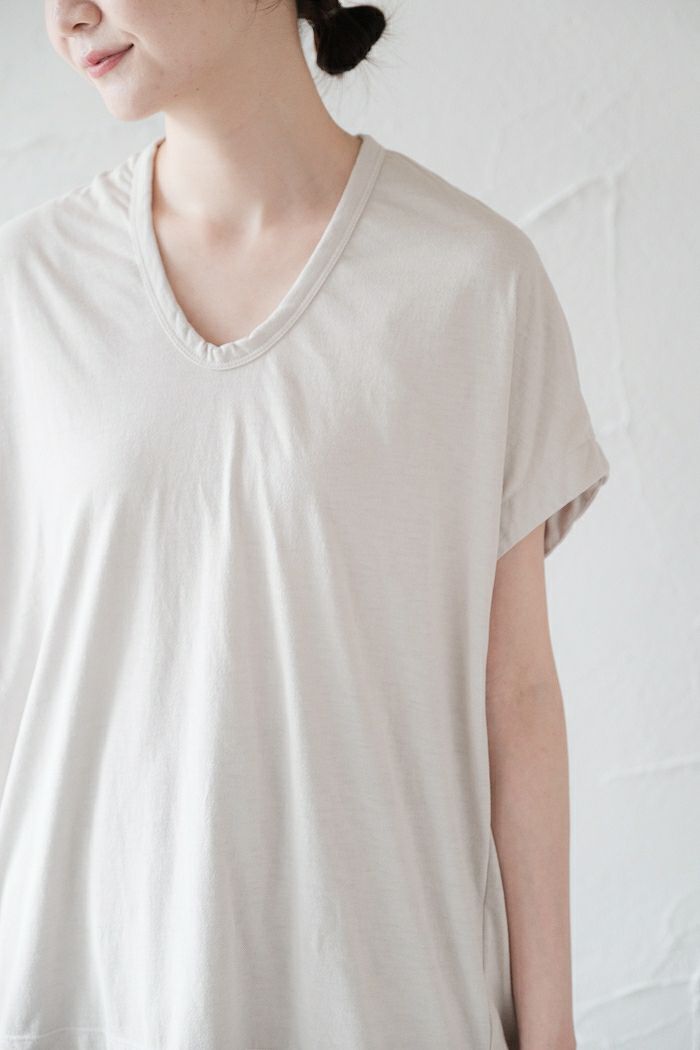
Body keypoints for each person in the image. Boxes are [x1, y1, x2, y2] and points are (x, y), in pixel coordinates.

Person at [0, 1, 611, 1048]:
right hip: (85, 998)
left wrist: (548, 1034)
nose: (67, 17)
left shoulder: (473, 284)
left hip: (387, 1004)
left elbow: (516, 699)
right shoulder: (27, 291)